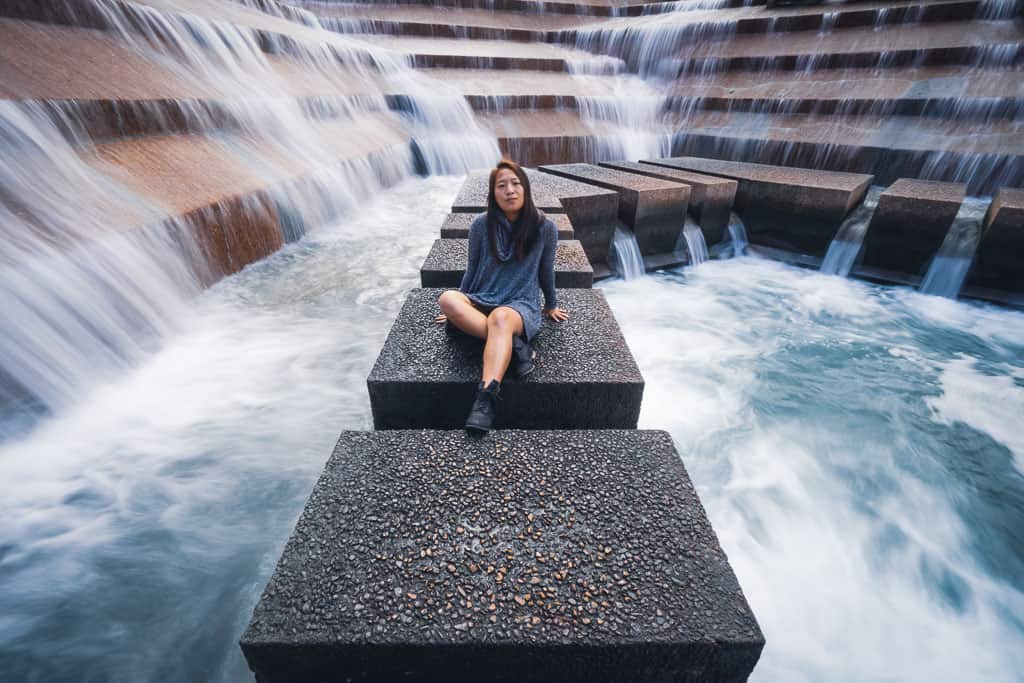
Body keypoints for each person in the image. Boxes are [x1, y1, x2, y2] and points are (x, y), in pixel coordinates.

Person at [435, 159, 569, 435]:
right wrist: (459, 303)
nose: (510, 190)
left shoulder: (545, 228)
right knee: (446, 299)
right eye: (502, 185)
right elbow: (472, 270)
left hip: (520, 304)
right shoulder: (480, 226)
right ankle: (516, 346)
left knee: (500, 317)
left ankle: (485, 398)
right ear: (493, 194)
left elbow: (546, 271)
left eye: (516, 183)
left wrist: (551, 304)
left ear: (526, 188)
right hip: (482, 296)